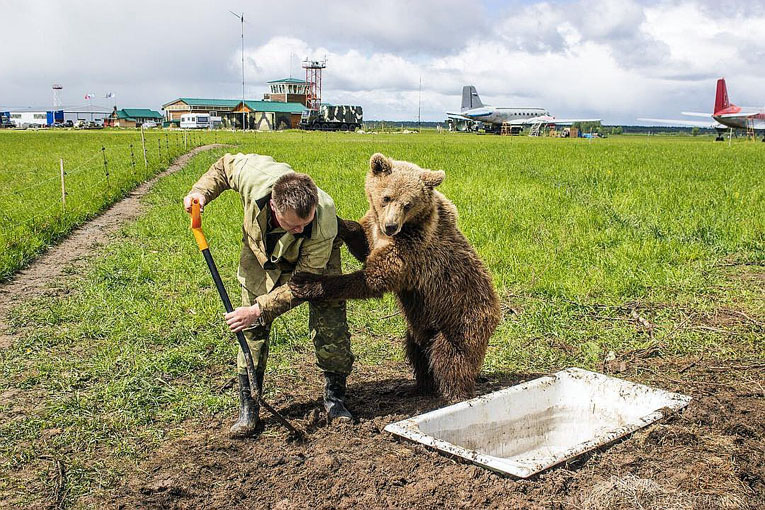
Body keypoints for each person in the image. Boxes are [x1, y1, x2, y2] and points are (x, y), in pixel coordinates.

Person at [183, 153, 354, 438]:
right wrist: (200, 192)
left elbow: (302, 284)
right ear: (274, 206)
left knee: (331, 326)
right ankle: (249, 406)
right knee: (249, 327)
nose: (300, 229)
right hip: (261, 256)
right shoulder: (254, 176)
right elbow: (225, 166)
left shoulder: (323, 223)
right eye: (293, 225)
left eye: (304, 223)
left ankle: (335, 398)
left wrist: (259, 309)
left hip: (316, 265)